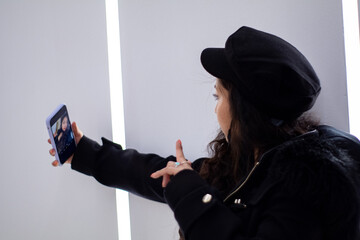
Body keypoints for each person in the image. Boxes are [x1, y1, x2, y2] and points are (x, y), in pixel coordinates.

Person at [48, 26, 360, 239]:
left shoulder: (303, 189)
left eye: (218, 96)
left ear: (244, 108)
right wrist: (85, 153)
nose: (215, 109)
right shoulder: (261, 155)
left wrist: (192, 196)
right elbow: (157, 173)